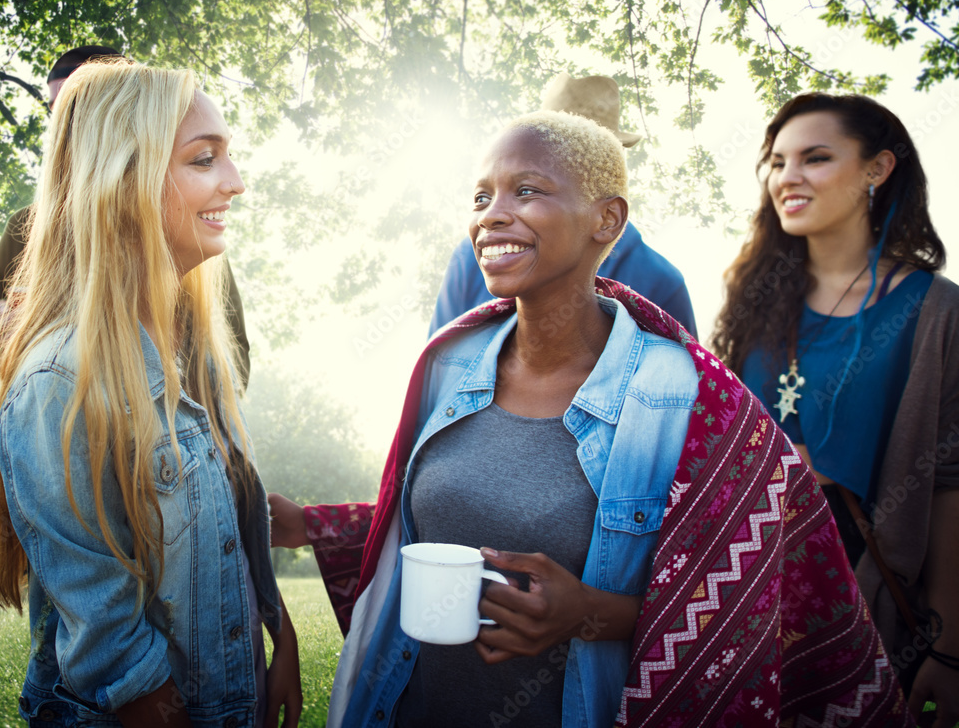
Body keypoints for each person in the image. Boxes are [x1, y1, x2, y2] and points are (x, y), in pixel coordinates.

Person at [270, 109, 909, 726]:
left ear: (608, 219)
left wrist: (587, 615)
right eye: (481, 196)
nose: (493, 213)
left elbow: (757, 593)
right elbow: (422, 524)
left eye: (526, 191)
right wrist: (312, 525)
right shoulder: (447, 364)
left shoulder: (690, 395)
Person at [0, 59, 301, 726]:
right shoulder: (60, 382)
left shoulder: (199, 352)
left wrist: (282, 636)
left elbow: (233, 521)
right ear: (123, 180)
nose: (236, 184)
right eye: (204, 159)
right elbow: (120, 659)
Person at [711, 92, 959, 725]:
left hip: (865, 604)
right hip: (744, 596)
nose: (786, 177)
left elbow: (950, 489)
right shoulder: (754, 298)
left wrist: (951, 647)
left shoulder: (936, 313)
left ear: (877, 169)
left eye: (815, 158)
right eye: (776, 161)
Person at [0, 45, 252, 388]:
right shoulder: (26, 228)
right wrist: (12, 334)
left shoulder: (190, 236)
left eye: (87, 104)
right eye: (59, 110)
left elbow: (234, 361)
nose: (70, 123)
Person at [427, 72, 697, 337]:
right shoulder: (472, 259)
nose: (492, 215)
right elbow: (437, 365)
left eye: (584, 152)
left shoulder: (661, 282)